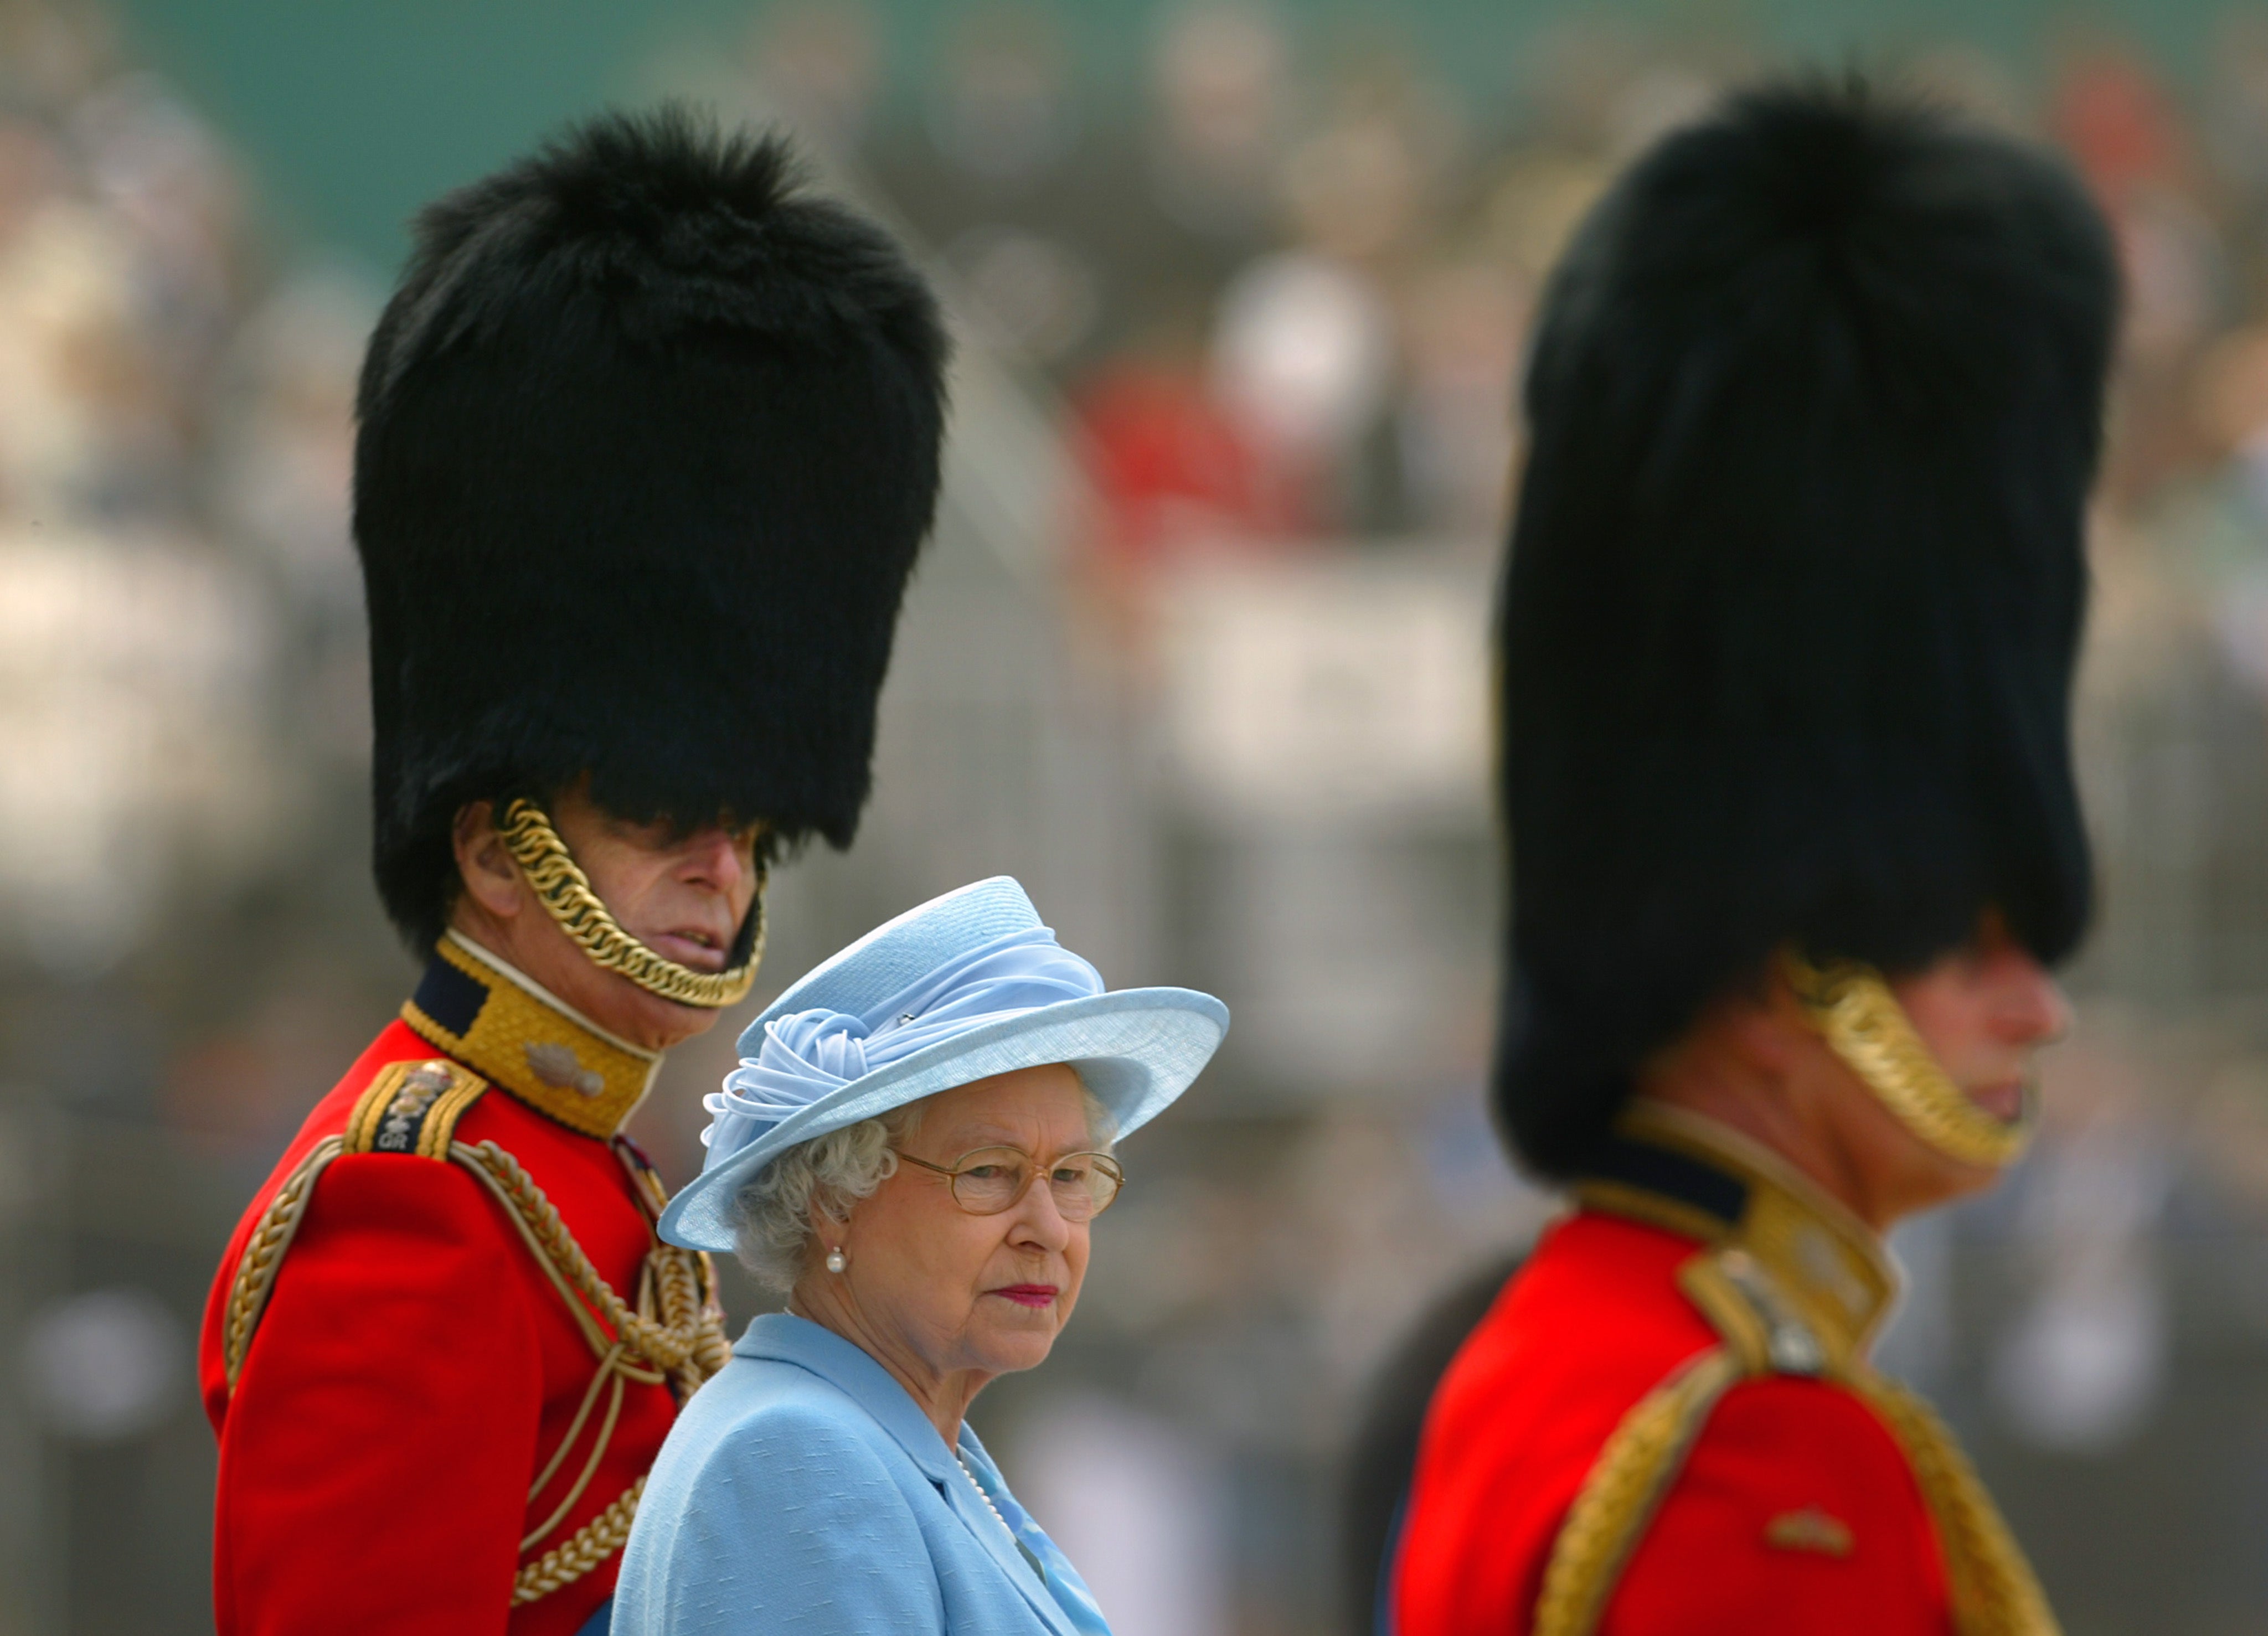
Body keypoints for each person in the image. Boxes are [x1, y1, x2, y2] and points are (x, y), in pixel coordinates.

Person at [195, 109, 947, 1636]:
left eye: (746, 826)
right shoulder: (414, 1199)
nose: (719, 869)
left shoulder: (588, 1165)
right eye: (663, 815)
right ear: (493, 851)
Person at [1391, 82, 2116, 1636]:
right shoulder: (1763, 1446)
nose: (2039, 1008)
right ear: (1802, 965)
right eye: (1975, 944)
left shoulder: (1546, 1346)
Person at [612, 875, 1229, 1635]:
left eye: (1070, 1176)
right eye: (988, 1172)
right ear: (835, 1202)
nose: (1049, 1228)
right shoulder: (799, 1461)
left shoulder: (907, 1434)